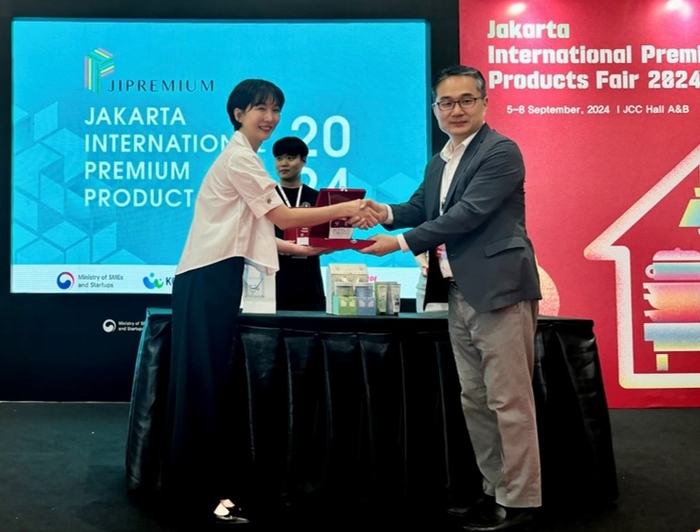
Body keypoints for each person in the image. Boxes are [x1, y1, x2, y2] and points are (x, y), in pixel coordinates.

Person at [163, 78, 377, 526]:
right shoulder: (241, 158)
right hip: (208, 278)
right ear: (238, 114)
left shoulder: (245, 157)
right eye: (260, 108)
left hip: (212, 277)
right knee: (205, 387)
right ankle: (200, 496)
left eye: (276, 109)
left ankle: (197, 489)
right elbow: (280, 216)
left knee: (208, 384)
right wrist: (343, 208)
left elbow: (251, 230)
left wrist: (304, 248)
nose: (270, 117)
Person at [361, 65, 542, 531]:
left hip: (499, 290)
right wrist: (382, 212)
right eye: (447, 102)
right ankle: (495, 490)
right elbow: (420, 208)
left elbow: (468, 214)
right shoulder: (441, 159)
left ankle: (521, 501)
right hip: (458, 291)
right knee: (476, 399)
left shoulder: (501, 151)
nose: (456, 109)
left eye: (466, 100)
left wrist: (399, 243)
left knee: (509, 400)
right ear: (435, 109)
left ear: (484, 103)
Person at [272, 136, 327, 311]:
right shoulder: (265, 197)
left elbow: (327, 239)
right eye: (279, 158)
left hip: (308, 280)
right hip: (273, 279)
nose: (283, 163)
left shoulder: (317, 198)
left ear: (303, 160)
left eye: (290, 158)